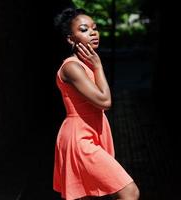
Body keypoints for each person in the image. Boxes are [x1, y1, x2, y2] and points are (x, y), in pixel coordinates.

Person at [53, 7, 140, 200]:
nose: (93, 33)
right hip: (80, 138)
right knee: (130, 192)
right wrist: (99, 66)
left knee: (89, 195)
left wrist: (95, 66)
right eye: (84, 29)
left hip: (94, 132)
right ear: (70, 39)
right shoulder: (72, 67)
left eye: (95, 28)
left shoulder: (85, 64)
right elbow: (105, 101)